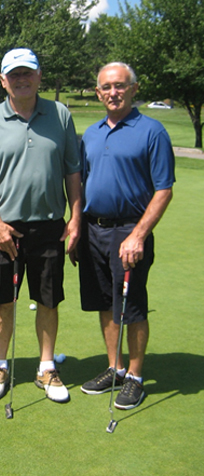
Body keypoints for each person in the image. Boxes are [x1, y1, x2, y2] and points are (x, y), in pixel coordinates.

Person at [0, 48, 82, 403]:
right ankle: (0, 364)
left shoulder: (60, 115)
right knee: (3, 300)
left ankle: (46, 366)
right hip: (4, 227)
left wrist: (76, 216)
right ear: (3, 81)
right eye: (13, 74)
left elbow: (72, 171)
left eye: (27, 73)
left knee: (48, 300)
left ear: (38, 76)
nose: (21, 79)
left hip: (49, 226)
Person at [78, 62, 175, 410]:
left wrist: (138, 235)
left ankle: (134, 376)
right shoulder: (90, 133)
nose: (113, 93)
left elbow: (163, 190)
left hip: (129, 230)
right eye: (106, 87)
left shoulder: (152, 131)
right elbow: (82, 183)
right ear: (98, 91)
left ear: (134, 88)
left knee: (130, 307)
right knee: (104, 303)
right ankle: (115, 368)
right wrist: (77, 228)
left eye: (120, 86)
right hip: (93, 229)